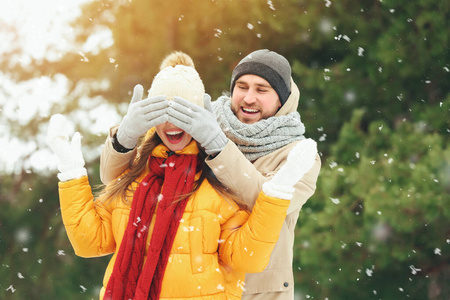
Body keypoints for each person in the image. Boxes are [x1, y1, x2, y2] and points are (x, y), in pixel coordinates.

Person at [46, 52, 319, 300]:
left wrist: (216, 144)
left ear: (282, 99)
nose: (249, 98)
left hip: (259, 289)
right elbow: (112, 178)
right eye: (242, 87)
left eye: (262, 90)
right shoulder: (201, 130)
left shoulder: (299, 155)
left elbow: (263, 201)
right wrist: (125, 136)